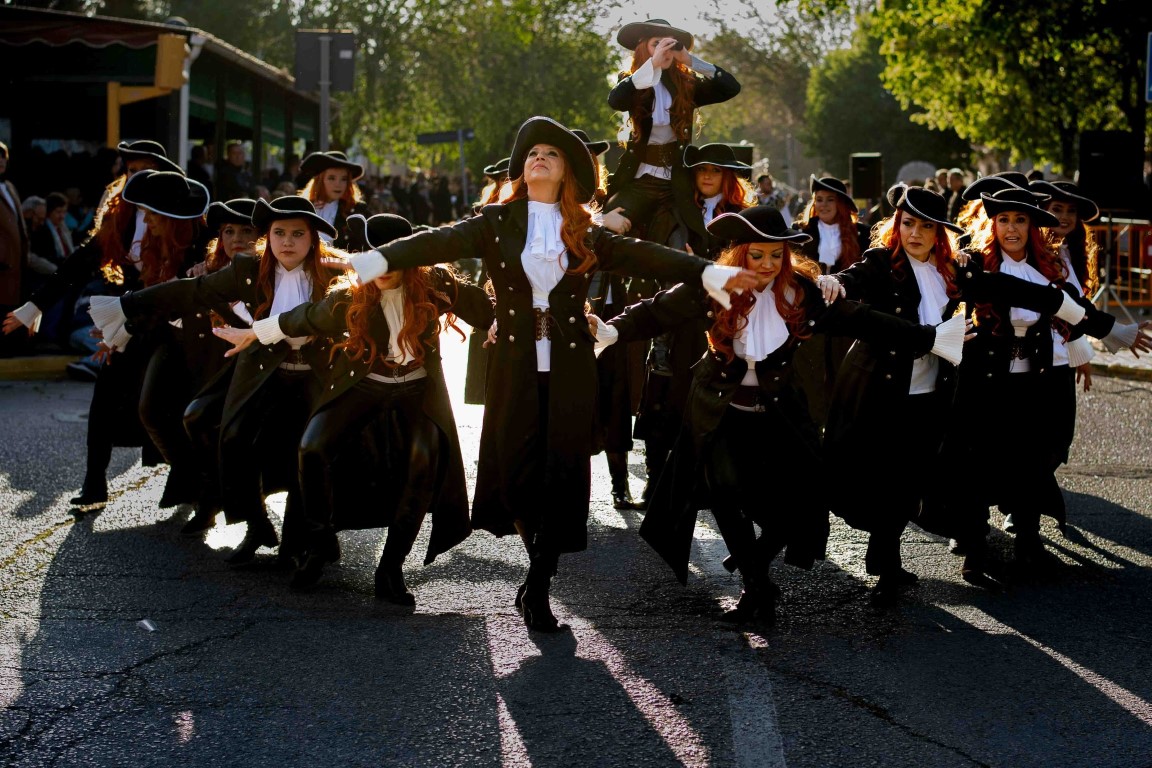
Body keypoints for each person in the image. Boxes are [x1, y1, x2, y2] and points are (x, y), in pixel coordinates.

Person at [346, 116, 758, 632]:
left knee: (561, 473)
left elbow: (645, 257)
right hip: (514, 362)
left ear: (567, 172)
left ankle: (538, 582)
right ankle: (537, 565)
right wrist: (378, 258)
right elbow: (437, 242)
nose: (539, 157)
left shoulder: (584, 230)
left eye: (552, 154)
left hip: (570, 363)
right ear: (522, 168)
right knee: (516, 472)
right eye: (533, 152)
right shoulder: (496, 221)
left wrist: (707, 272)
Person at [598, 205, 965, 625]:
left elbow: (862, 320)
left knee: (801, 497)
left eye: (777, 255)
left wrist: (927, 337)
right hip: (719, 411)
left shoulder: (800, 293)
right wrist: (613, 330)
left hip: (778, 412)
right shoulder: (715, 285)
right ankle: (756, 588)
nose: (768, 264)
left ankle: (754, 565)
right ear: (740, 254)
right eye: (758, 255)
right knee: (724, 498)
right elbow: (655, 310)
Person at [819, 186, 1112, 604]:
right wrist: (833, 281)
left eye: (925, 227)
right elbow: (853, 280)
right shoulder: (882, 262)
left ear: (938, 233)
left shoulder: (952, 270)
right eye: (907, 224)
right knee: (880, 474)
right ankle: (885, 562)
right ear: (896, 226)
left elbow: (1018, 290)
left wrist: (1106, 328)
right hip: (879, 387)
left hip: (932, 389)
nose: (915, 234)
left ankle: (888, 559)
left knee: (911, 478)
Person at [92, 196, 342, 564]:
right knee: (222, 429)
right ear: (268, 237)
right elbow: (193, 291)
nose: (287, 241)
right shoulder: (248, 269)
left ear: (313, 239)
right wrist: (127, 304)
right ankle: (255, 523)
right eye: (279, 233)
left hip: (316, 378)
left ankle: (300, 542)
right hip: (263, 373)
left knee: (303, 450)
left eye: (297, 234)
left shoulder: (333, 274)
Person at [256, 213, 494, 598]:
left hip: (418, 390)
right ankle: (320, 542)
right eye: (374, 257)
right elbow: (306, 318)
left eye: (392, 258)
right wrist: (256, 331)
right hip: (364, 384)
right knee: (312, 447)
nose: (382, 268)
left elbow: (486, 311)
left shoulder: (435, 284)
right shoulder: (352, 293)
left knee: (424, 461)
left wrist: (496, 318)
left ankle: (391, 567)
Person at [939, 187, 1150, 579]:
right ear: (993, 225)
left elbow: (1075, 308)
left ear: (1032, 227)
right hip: (984, 381)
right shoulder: (975, 264)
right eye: (1003, 220)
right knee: (977, 460)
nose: (1012, 228)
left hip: (1035, 381)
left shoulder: (1049, 267)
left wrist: (1113, 332)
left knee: (1031, 460)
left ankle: (1028, 542)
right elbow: (1012, 296)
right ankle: (974, 545)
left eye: (1020, 220)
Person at [3, 140, 185, 505]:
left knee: (166, 403)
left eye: (145, 171)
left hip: (172, 321)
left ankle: (184, 474)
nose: (136, 177)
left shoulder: (183, 216)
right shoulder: (119, 215)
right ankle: (94, 481)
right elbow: (80, 262)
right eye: (131, 171)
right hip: (128, 314)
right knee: (105, 396)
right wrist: (34, 307)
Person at [633, 142, 756, 507]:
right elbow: (657, 257)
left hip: (724, 318)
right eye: (702, 168)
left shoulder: (742, 217)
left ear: (727, 176)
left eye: (715, 169)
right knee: (664, 398)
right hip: (675, 314)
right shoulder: (673, 210)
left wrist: (702, 264)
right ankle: (656, 481)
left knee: (715, 399)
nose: (707, 175)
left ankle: (713, 484)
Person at [606, 18, 741, 247]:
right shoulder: (633, 82)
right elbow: (616, 100)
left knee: (685, 240)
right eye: (657, 44)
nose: (665, 51)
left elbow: (730, 87)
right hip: (640, 179)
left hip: (676, 182)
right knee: (609, 223)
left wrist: (689, 60)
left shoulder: (686, 85)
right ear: (643, 48)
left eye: (670, 45)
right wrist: (652, 65)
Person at [790, 175, 872, 427]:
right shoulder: (800, 231)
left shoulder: (860, 233)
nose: (823, 205)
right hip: (809, 313)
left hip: (844, 313)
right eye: (819, 199)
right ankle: (814, 427)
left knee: (844, 371)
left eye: (830, 200)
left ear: (841, 204)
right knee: (812, 373)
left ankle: (841, 426)